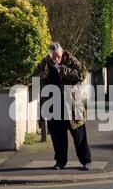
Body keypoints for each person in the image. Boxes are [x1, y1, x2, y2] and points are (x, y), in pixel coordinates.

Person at [37, 42, 93, 171]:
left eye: (58, 56)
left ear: (62, 53)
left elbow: (82, 74)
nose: (56, 59)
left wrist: (62, 69)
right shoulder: (45, 63)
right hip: (53, 106)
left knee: (79, 136)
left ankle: (86, 161)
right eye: (54, 57)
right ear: (50, 55)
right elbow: (34, 77)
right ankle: (60, 162)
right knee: (58, 138)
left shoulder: (70, 60)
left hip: (73, 106)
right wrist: (43, 75)